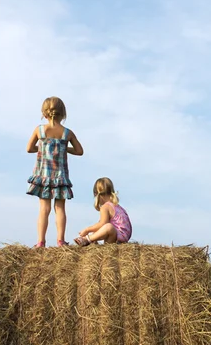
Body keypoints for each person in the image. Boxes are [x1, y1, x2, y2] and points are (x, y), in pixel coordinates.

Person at [26, 96, 83, 247]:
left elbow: (29, 148)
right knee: (60, 209)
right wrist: (64, 148)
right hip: (60, 177)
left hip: (43, 175)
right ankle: (60, 240)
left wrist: (43, 148)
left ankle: (40, 241)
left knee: (44, 209)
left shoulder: (39, 130)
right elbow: (79, 151)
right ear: (63, 114)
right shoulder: (67, 133)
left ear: (44, 113)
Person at [75, 177, 132, 246]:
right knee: (103, 226)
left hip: (117, 235)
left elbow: (102, 224)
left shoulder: (105, 207)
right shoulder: (118, 207)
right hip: (121, 238)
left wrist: (87, 230)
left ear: (97, 194)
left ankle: (87, 239)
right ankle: (93, 241)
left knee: (108, 227)